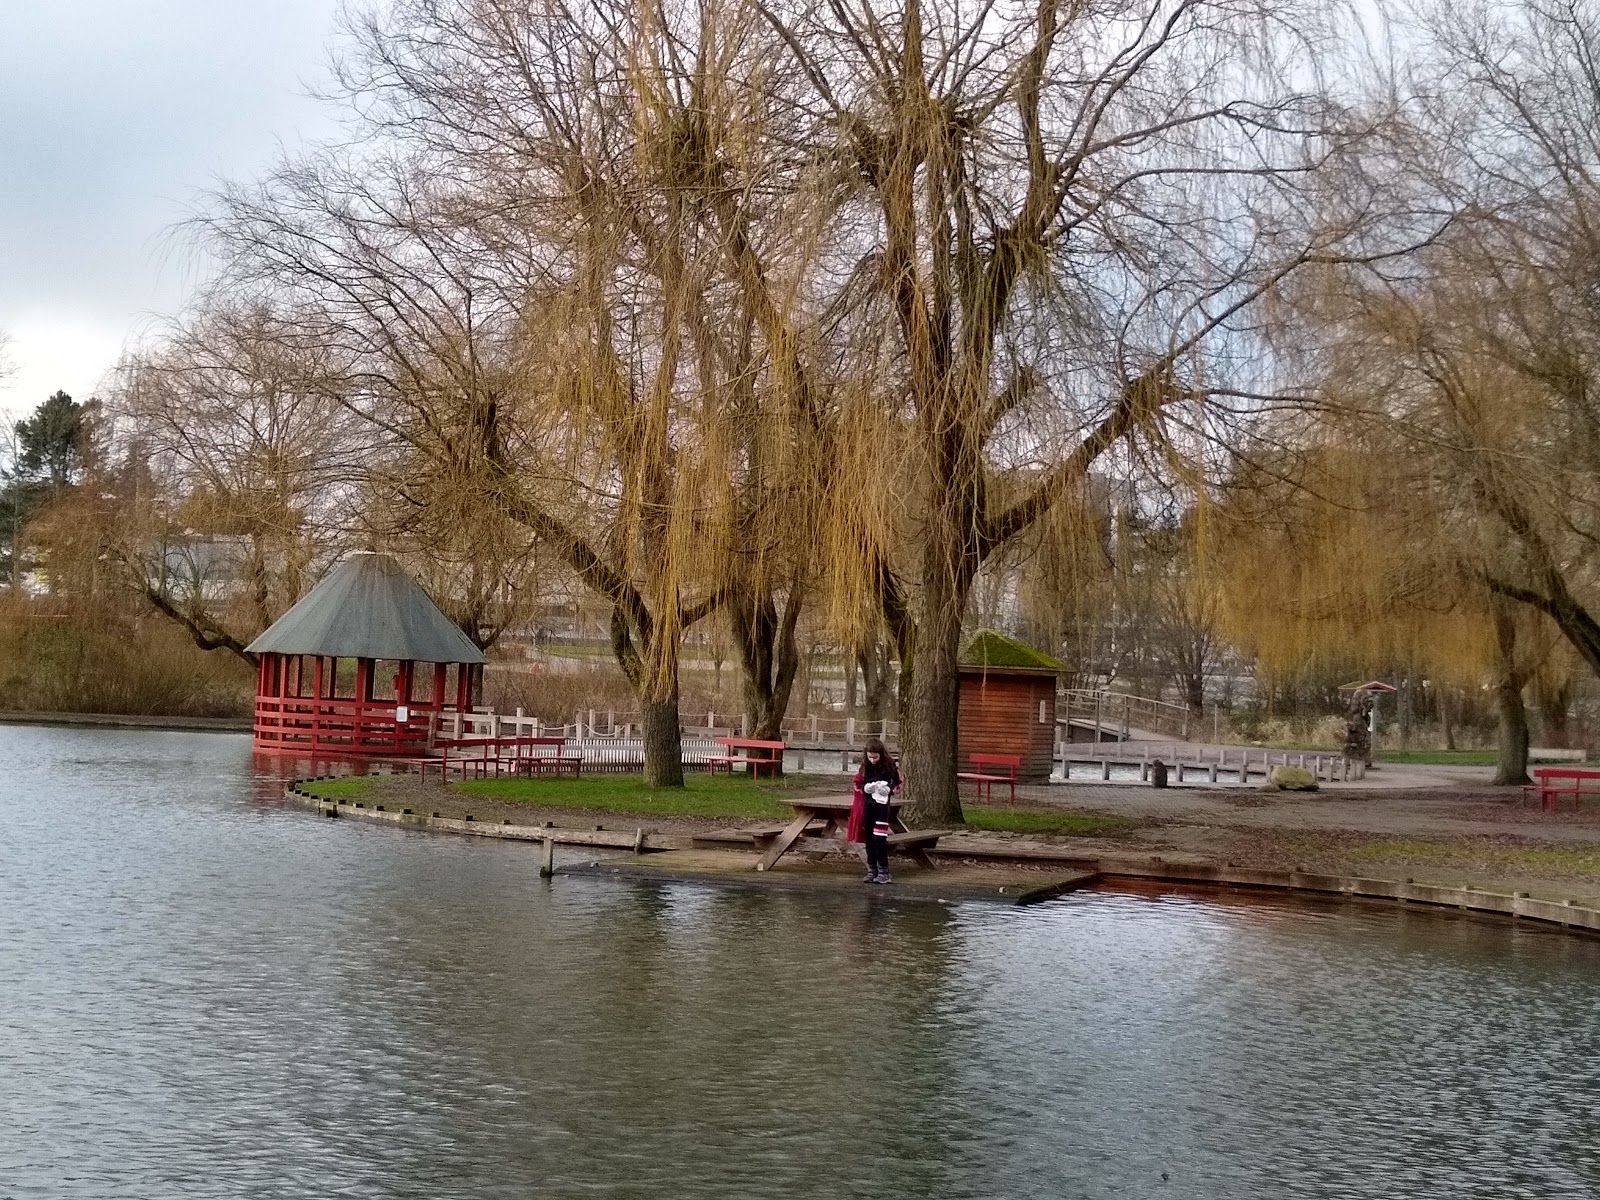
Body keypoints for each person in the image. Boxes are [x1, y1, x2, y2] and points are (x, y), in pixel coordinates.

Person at [849, 737, 901, 884]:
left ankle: (884, 870)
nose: (872, 760)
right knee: (869, 839)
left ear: (881, 755)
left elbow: (897, 783)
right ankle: (872, 869)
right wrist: (865, 788)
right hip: (868, 805)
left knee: (880, 838)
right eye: (870, 757)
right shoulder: (865, 766)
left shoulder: (889, 766)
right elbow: (858, 783)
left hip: (882, 807)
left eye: (875, 757)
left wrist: (889, 789)